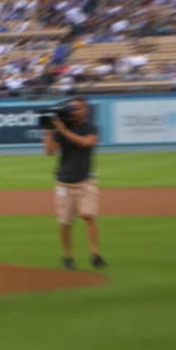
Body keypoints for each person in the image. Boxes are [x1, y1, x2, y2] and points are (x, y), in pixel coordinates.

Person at [43, 96, 107, 270]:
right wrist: (48, 130)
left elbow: (86, 143)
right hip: (64, 182)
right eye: (71, 108)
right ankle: (67, 256)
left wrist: (62, 130)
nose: (73, 110)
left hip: (86, 179)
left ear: (85, 110)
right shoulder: (61, 128)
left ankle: (94, 254)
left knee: (88, 215)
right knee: (65, 222)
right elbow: (49, 152)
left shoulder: (89, 127)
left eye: (77, 108)